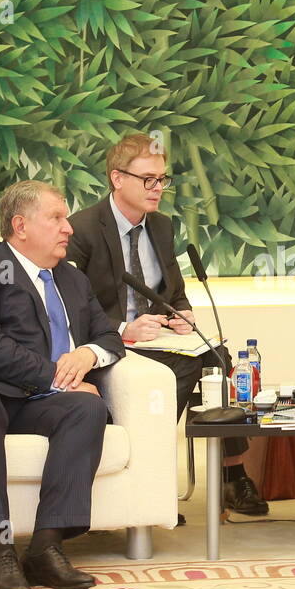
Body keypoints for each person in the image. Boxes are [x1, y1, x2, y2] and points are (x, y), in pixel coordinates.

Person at [0, 180, 124, 589]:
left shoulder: (71, 279)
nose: (68, 228)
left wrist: (87, 357)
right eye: (56, 218)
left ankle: (46, 547)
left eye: (67, 218)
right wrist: (59, 374)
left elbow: (110, 338)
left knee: (87, 411)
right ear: (20, 225)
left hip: (37, 400)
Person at [66, 133, 268, 516]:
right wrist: (122, 328)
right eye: (148, 179)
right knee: (184, 366)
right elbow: (72, 307)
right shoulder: (84, 230)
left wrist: (182, 313)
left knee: (221, 360)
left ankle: (232, 475)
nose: (157, 188)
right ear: (117, 178)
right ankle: (151, 479)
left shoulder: (161, 227)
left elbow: (173, 291)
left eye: (162, 179)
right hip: (110, 341)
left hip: (160, 339)